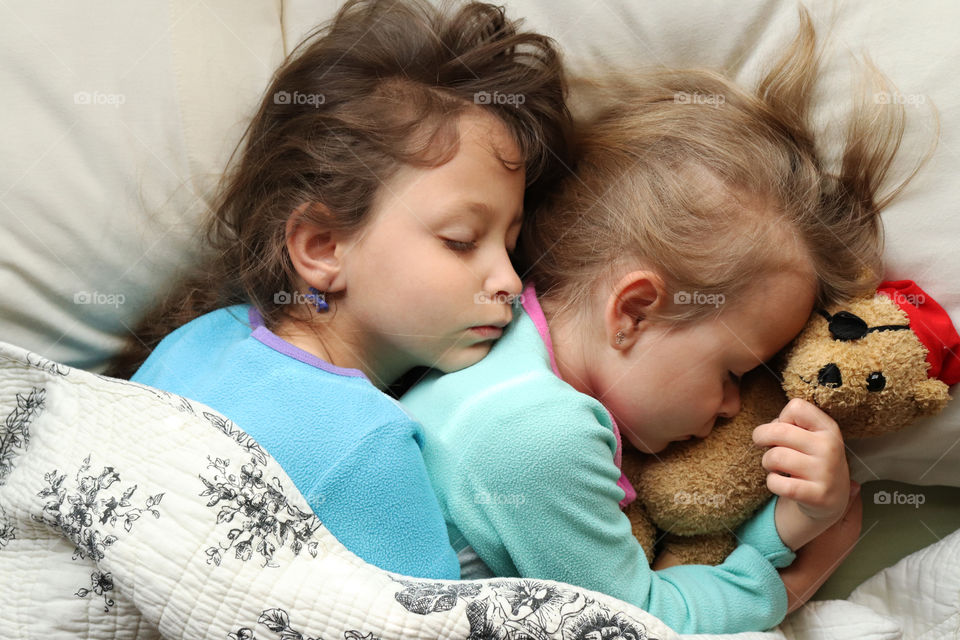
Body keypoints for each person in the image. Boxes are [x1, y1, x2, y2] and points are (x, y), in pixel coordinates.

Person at [401, 10, 922, 633]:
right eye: (734, 370)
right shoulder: (537, 432)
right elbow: (633, 621)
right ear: (634, 312)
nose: (735, 406)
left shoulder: (500, 357)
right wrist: (791, 567)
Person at [108, 0, 572, 580]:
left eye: (510, 244)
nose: (508, 281)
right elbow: (432, 617)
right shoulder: (369, 447)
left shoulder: (193, 339)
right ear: (323, 247)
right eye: (461, 240)